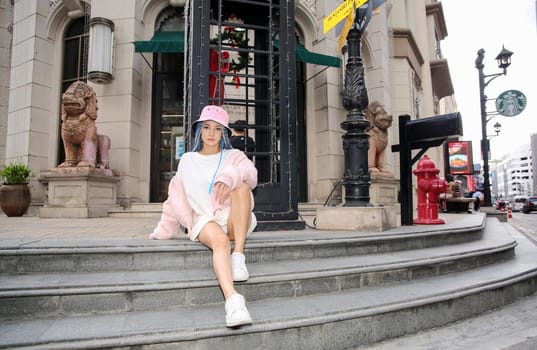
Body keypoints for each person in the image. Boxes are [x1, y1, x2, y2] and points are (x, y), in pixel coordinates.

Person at [148, 105, 257, 328]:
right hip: (206, 220)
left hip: (234, 219)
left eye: (217, 129)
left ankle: (239, 256)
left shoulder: (233, 155)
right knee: (219, 241)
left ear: (224, 133)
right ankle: (233, 301)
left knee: (241, 185)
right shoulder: (188, 159)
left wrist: (228, 177)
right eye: (206, 127)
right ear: (199, 130)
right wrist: (163, 230)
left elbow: (251, 174)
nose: (211, 133)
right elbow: (175, 196)